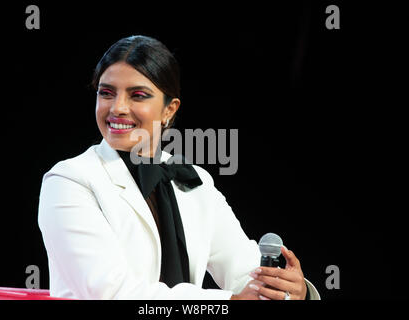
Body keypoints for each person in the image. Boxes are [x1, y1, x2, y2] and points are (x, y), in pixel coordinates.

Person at [38, 35, 320, 300]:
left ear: (169, 109)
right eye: (107, 93)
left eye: (137, 95)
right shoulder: (69, 180)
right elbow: (111, 293)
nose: (117, 108)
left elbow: (244, 274)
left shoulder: (195, 179)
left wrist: (287, 290)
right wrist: (229, 300)